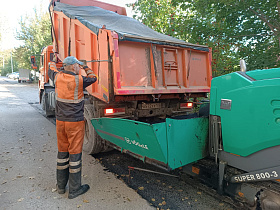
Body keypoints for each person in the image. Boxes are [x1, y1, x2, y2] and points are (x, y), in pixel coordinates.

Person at [48, 56, 97, 199]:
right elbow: (94, 78)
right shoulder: (79, 80)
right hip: (74, 123)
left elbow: (51, 67)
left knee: (62, 153)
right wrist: (86, 67)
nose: (79, 67)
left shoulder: (57, 77)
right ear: (73, 66)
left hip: (60, 123)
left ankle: (61, 186)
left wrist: (53, 59)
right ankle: (75, 189)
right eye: (78, 65)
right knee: (75, 155)